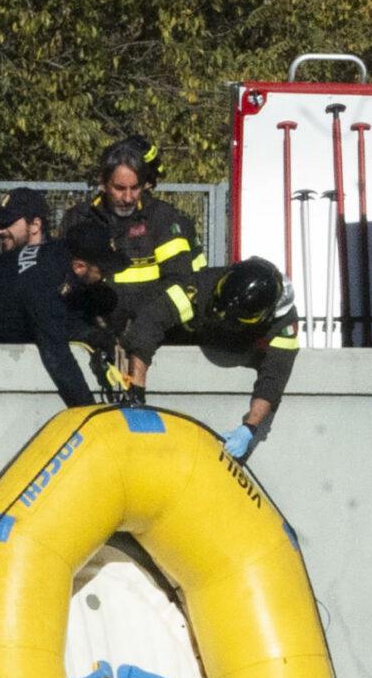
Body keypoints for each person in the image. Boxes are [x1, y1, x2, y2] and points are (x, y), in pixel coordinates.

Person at [0, 189, 105, 407]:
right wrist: (88, 410)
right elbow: (54, 347)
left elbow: (56, 318)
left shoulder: (53, 263)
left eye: (7, 223)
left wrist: (92, 334)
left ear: (35, 225)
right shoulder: (45, 267)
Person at [87, 136, 206, 390]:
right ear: (103, 183)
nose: (128, 197)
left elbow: (184, 287)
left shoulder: (165, 220)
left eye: (136, 187)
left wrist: (143, 331)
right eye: (120, 188)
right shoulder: (81, 220)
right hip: (99, 346)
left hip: (159, 341)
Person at [192, 257, 301, 461]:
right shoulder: (212, 282)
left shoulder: (284, 324)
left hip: (237, 349)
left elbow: (274, 378)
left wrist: (249, 428)